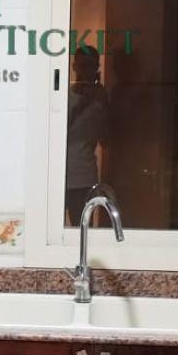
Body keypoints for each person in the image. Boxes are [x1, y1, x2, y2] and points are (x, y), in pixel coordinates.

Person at [65, 47, 110, 224]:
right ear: (74, 66)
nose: (88, 71)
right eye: (84, 66)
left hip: (84, 177)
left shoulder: (100, 98)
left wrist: (100, 104)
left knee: (83, 232)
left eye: (92, 66)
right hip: (56, 173)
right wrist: (82, 105)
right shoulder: (63, 95)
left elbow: (106, 139)